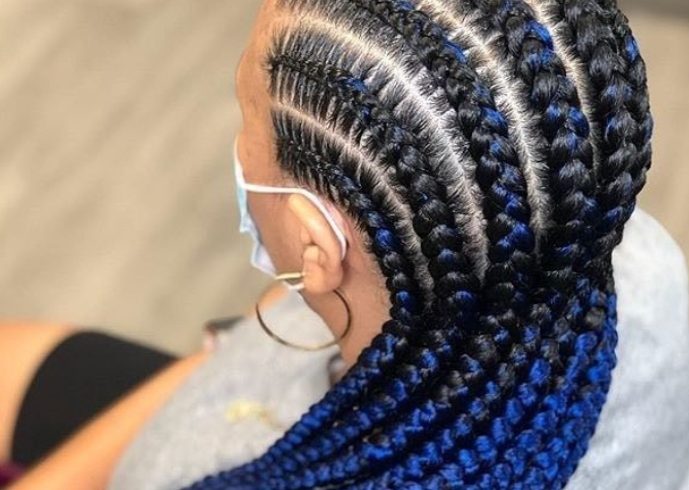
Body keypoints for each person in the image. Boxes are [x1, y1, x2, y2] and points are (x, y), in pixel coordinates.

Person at [2, 0, 689, 488]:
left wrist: (218, 363)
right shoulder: (642, 268)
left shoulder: (187, 472)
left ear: (316, 244)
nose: (239, 144)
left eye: (246, 112)